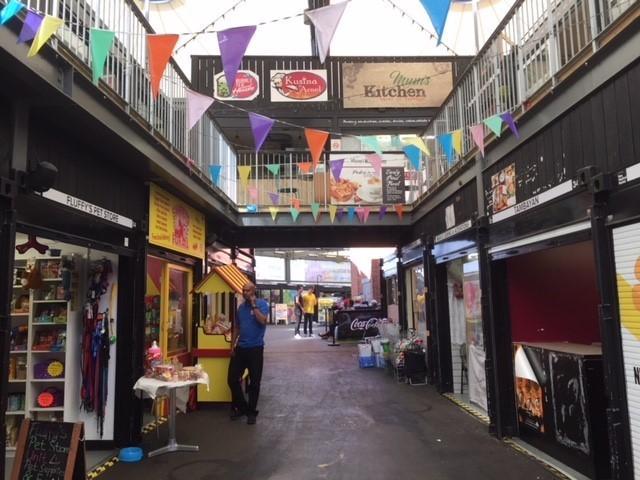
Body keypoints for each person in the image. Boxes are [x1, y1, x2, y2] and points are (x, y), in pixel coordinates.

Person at [227, 281, 268, 425]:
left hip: (256, 348)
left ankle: (252, 412)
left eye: (248, 290)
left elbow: (263, 321)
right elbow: (237, 328)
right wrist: (232, 346)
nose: (245, 293)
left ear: (253, 290)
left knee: (254, 382)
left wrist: (254, 305)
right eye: (243, 290)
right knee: (232, 379)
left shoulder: (262, 304)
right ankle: (243, 408)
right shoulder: (241, 308)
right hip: (241, 348)